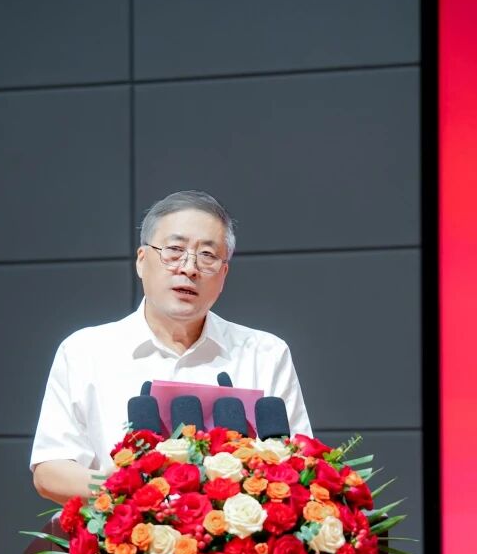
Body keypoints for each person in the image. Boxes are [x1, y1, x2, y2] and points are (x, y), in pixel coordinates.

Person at [30, 190, 312, 505]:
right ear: (141, 261)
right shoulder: (85, 351)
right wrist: (115, 485)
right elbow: (50, 469)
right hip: (125, 531)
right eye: (175, 250)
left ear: (223, 275)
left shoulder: (265, 353)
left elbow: (302, 465)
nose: (189, 268)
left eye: (207, 255)